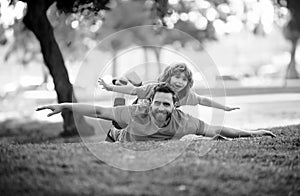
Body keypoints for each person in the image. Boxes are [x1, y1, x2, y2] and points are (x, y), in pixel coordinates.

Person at [36, 83, 275, 142]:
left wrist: (254, 133)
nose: (161, 108)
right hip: (122, 135)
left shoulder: (184, 121)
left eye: (166, 104)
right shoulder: (136, 111)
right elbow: (97, 110)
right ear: (150, 103)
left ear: (175, 107)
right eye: (157, 103)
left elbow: (217, 129)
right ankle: (115, 123)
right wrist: (64, 106)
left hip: (138, 131)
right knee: (115, 122)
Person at [98, 62, 239, 111]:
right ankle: (122, 81)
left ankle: (135, 80)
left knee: (141, 89)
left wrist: (224, 107)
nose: (180, 81)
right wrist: (111, 88)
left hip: (148, 106)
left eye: (184, 79)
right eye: (177, 77)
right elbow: (134, 91)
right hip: (139, 104)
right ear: (168, 77)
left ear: (188, 83)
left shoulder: (185, 95)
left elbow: (203, 100)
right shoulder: (156, 88)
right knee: (118, 114)